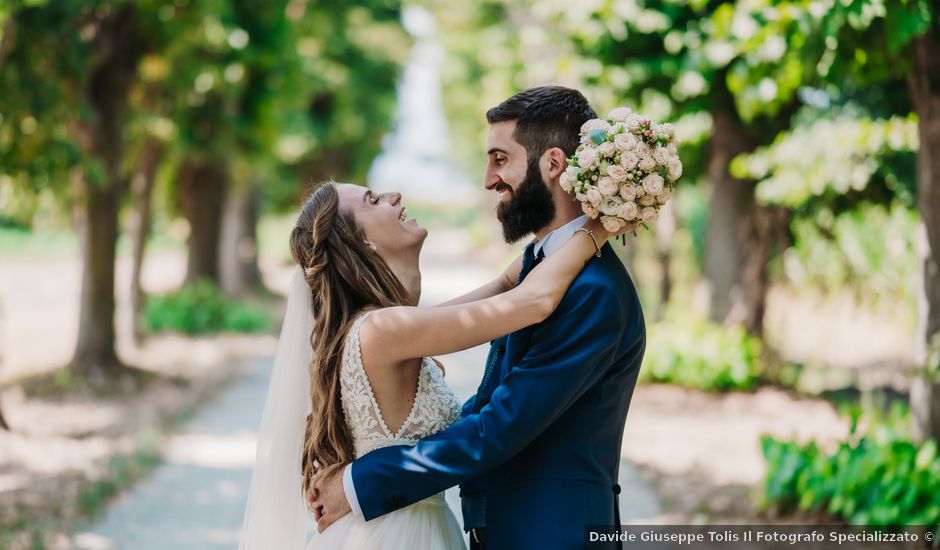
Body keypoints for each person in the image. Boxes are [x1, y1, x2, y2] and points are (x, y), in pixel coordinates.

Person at [308, 86, 647, 550]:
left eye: (500, 159)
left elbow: (498, 425)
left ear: (553, 164)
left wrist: (358, 485)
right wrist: (593, 229)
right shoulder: (541, 274)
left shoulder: (592, 291)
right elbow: (519, 311)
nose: (488, 179)